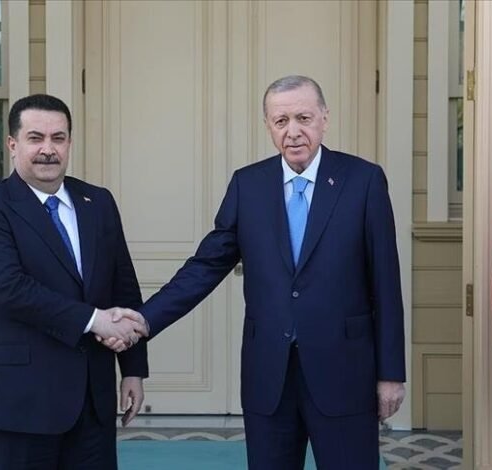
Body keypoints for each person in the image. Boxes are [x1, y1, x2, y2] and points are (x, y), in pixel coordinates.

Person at [105, 76, 406, 469]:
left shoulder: (363, 180)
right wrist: (145, 320)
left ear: (325, 118)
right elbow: (206, 265)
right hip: (269, 376)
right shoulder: (248, 185)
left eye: (303, 118)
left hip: (344, 372)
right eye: (281, 121)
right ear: (268, 125)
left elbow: (386, 283)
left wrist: (391, 374)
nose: (292, 131)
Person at [0, 94, 149, 470]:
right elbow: (9, 288)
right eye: (35, 138)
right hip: (19, 403)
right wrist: (95, 320)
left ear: (69, 142)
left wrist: (132, 368)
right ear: (13, 144)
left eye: (58, 138)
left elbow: (123, 286)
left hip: (92, 402)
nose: (48, 149)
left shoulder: (98, 202)